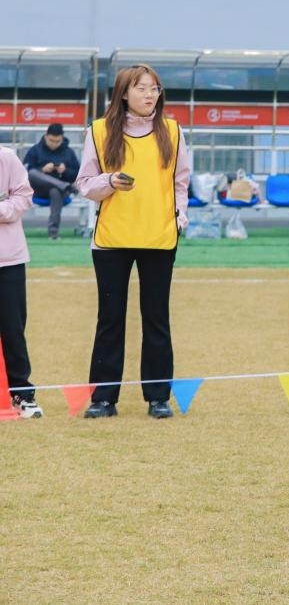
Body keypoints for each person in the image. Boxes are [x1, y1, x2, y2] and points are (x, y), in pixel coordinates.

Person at [76, 64, 190, 419]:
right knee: (110, 319)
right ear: (124, 93)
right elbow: (85, 184)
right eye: (141, 88)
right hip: (112, 239)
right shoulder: (98, 131)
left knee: (156, 318)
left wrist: (179, 217)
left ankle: (158, 397)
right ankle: (103, 398)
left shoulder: (172, 131)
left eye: (155, 88)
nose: (149, 95)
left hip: (159, 237)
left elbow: (181, 182)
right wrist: (109, 181)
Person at [0, 146, 39, 418]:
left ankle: (22, 392)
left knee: (12, 328)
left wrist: (1, 209)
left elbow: (24, 196)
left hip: (8, 258)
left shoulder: (6, 158)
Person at [23, 122, 80, 239]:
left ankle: (53, 232)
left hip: (59, 192)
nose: (54, 144)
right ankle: (64, 185)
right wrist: (42, 170)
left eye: (57, 141)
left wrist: (65, 171)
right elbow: (24, 172)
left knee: (55, 191)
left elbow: (77, 174)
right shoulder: (35, 150)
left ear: (62, 138)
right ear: (46, 136)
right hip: (38, 189)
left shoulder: (69, 152)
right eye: (51, 140)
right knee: (33, 173)